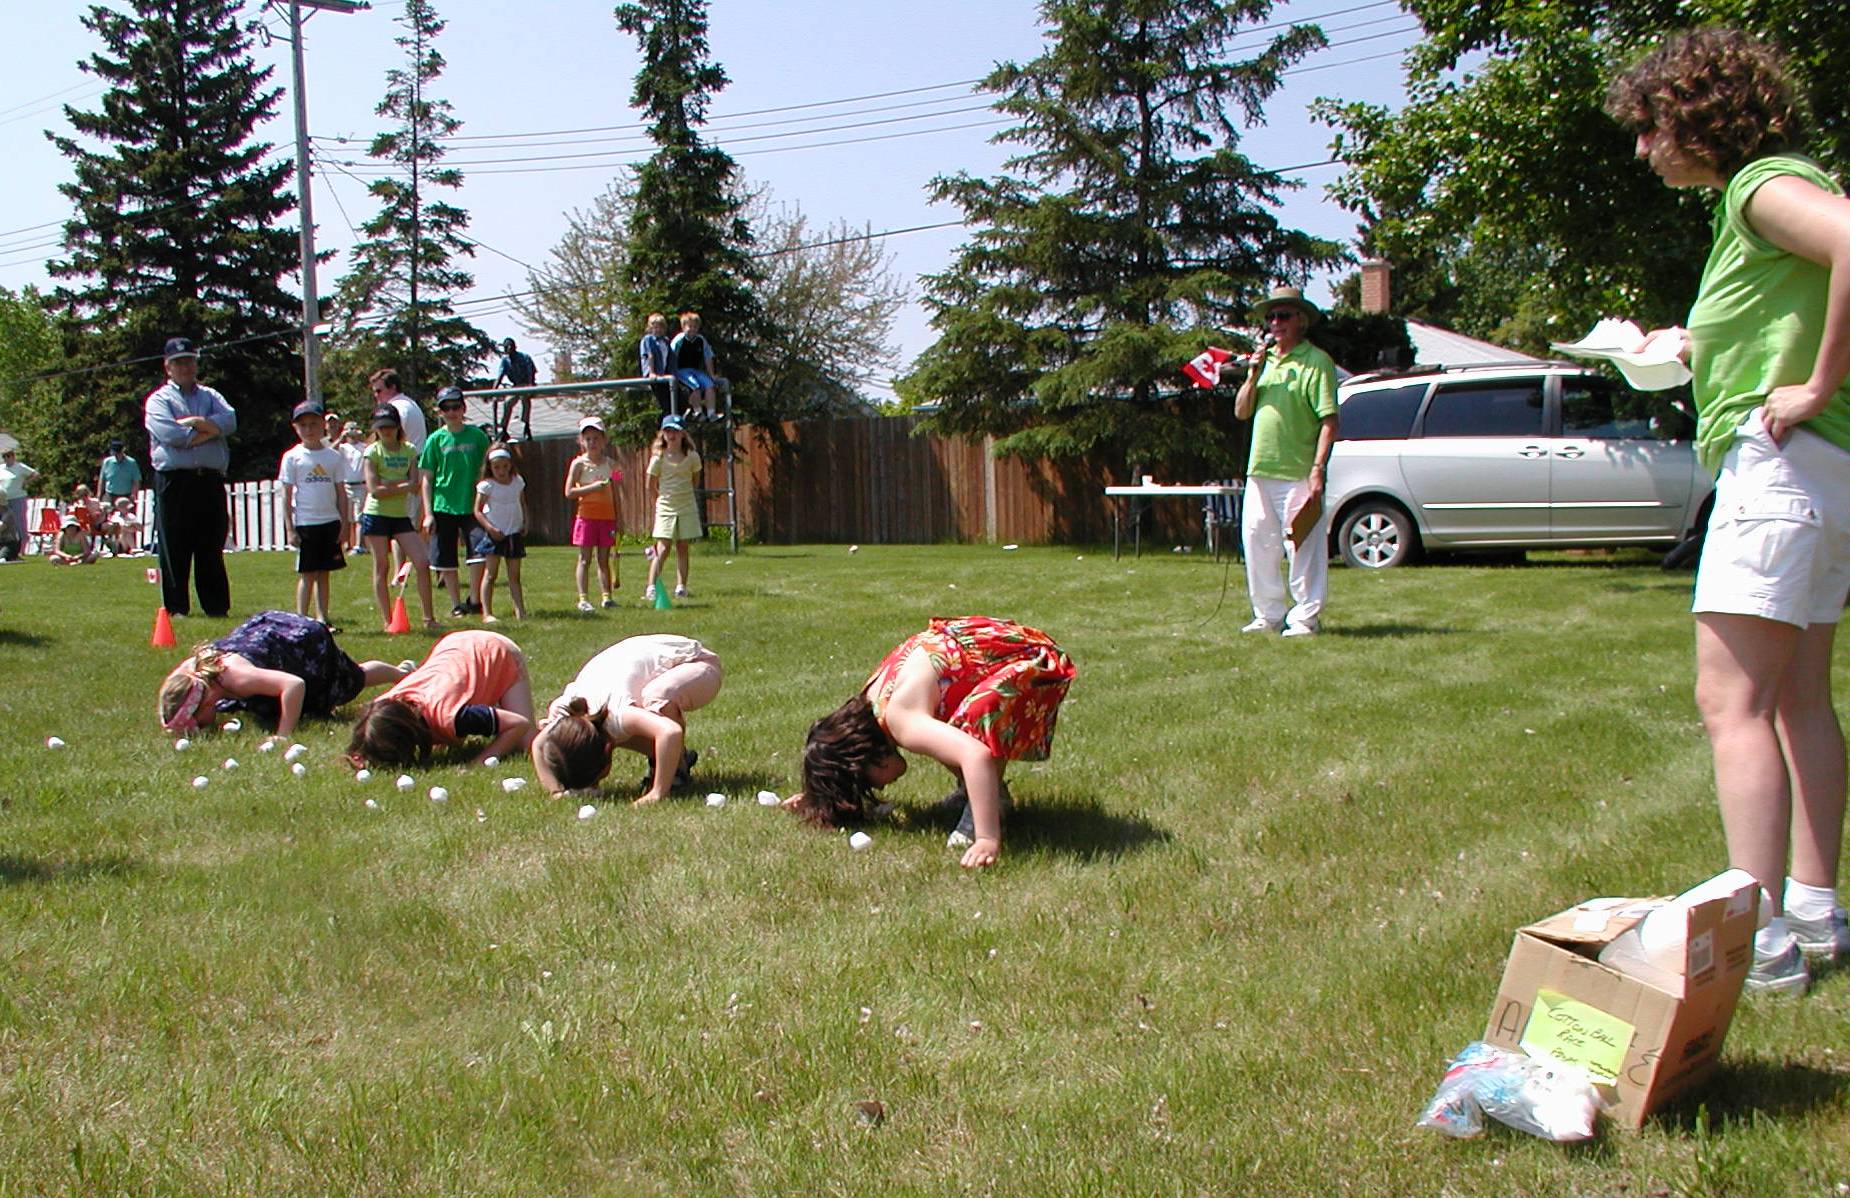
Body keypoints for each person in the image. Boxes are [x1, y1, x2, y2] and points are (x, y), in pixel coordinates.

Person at [1609, 28, 1850, 994]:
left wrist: (1813, 381)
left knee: (1731, 701)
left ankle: (1761, 943)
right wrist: (1691, 347)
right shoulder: (1757, 205)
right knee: (1797, 699)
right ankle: (1818, 913)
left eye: (1650, 128)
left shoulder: (1759, 187)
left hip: (1780, 466)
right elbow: (1769, 324)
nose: (1644, 149)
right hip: (1827, 470)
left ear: (1697, 116)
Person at [787, 617, 1076, 869]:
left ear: (866, 758)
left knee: (975, 722)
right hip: (1007, 646)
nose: (881, 787)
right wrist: (815, 795)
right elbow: (833, 751)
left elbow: (977, 755)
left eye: (869, 782)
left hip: (1029, 659)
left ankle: (983, 813)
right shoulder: (873, 703)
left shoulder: (902, 721)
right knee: (944, 732)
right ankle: (975, 793)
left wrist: (988, 839)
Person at [1229, 286, 1339, 638]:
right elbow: (1241, 411)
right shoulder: (1263, 363)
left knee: (1303, 547)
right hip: (1260, 470)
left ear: (1301, 321)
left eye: (1284, 316)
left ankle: (1306, 618)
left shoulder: (1316, 361)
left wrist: (1317, 470)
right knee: (1257, 543)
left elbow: (1329, 420)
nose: (1275, 323)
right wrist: (1251, 374)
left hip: (1298, 472)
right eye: (1271, 317)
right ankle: (1268, 614)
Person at [159, 610, 409, 740]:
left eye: (199, 722)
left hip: (302, 643)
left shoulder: (237, 678)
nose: (204, 726)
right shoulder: (191, 674)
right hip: (268, 636)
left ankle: (402, 674)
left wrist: (283, 734)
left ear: (206, 703)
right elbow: (171, 689)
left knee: (351, 680)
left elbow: (294, 685)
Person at [529, 634, 723, 802]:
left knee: (657, 698)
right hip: (646, 656)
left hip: (696, 661)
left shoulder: (616, 713)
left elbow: (670, 732)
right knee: (627, 730)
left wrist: (657, 793)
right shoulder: (567, 717)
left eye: (596, 779)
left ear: (606, 752)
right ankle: (676, 758)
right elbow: (538, 745)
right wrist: (555, 791)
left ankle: (675, 773)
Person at [346, 629, 535, 768]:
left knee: (526, 745)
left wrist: (479, 762)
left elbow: (518, 724)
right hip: (453, 644)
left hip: (496, 648)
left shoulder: (451, 717)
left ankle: (556, 719)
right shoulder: (384, 705)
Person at [144, 336, 236, 617]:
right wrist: (209, 430)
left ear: (196, 363)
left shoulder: (211, 396)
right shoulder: (159, 399)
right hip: (175, 480)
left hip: (209, 478)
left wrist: (195, 423)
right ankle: (176, 608)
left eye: (189, 361)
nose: (185, 366)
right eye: (178, 362)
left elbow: (230, 421)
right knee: (174, 544)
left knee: (211, 543)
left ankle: (216, 607)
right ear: (168, 367)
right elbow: (171, 435)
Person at [361, 404, 438, 632]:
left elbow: (415, 485)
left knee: (422, 562)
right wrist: (399, 485)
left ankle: (428, 618)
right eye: (381, 427)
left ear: (398, 427)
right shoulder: (372, 452)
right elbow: (374, 489)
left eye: (390, 427)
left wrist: (390, 485)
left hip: (399, 515)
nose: (386, 431)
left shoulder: (409, 450)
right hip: (376, 515)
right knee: (382, 567)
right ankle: (388, 622)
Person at [419, 386, 491, 617]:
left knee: (479, 552)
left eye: (455, 407)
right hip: (443, 506)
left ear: (463, 408)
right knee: (445, 557)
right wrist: (428, 513)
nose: (451, 412)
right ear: (440, 412)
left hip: (472, 505)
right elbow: (427, 479)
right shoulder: (435, 440)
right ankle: (456, 603)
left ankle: (474, 599)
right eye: (446, 408)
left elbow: (488, 468)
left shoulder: (478, 436)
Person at [277, 401, 349, 625]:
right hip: (306, 522)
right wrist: (290, 527)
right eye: (304, 425)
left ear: (323, 425)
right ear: (296, 428)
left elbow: (341, 492)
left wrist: (344, 524)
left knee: (324, 572)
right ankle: (301, 618)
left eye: (314, 424)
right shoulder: (292, 457)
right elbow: (286, 496)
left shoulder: (333, 457)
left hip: (329, 521)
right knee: (307, 573)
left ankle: (322, 617)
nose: (309, 429)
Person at [565, 415, 622, 611]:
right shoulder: (578, 464)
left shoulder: (612, 465)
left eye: (596, 438)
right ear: (581, 441)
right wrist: (592, 488)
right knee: (584, 559)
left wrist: (619, 518)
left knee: (603, 559)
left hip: (607, 518)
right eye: (587, 438)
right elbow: (569, 492)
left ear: (604, 440)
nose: (592, 442)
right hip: (586, 517)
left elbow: (619, 488)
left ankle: (607, 597)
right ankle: (583, 598)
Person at [643, 414, 701, 603]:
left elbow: (695, 480)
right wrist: (658, 502)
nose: (672, 435)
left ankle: (681, 586)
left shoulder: (692, 457)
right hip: (666, 507)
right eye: (668, 431)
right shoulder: (658, 458)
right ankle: (651, 586)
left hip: (686, 505)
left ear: (683, 434)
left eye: (675, 431)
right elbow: (650, 485)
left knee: (683, 546)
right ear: (662, 434)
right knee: (663, 547)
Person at [471, 443, 528, 623]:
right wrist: (490, 528)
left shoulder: (517, 482)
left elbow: (522, 503)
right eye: (496, 467)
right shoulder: (487, 486)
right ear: (490, 467)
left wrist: (525, 522)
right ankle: (487, 612)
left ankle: (520, 610)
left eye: (505, 466)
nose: (501, 471)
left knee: (514, 575)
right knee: (491, 574)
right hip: (495, 534)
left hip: (513, 533)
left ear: (510, 464)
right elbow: (477, 511)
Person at [370, 367, 426, 533]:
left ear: (393, 387)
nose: (376, 395)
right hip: (412, 467)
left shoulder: (397, 409)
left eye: (379, 390)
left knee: (402, 523)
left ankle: (402, 559)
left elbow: (387, 441)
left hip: (404, 469)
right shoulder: (410, 404)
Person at [669, 311, 721, 421]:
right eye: (690, 326)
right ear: (683, 327)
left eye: (695, 326)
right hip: (681, 370)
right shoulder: (679, 340)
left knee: (709, 385)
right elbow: (671, 356)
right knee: (695, 386)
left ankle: (711, 413)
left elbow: (708, 357)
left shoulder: (700, 340)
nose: (692, 329)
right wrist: (671, 373)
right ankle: (698, 411)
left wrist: (711, 374)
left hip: (695, 370)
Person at [0, 446, 41, 559]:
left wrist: (25, 482)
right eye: (4, 456)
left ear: (13, 456)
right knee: (5, 524)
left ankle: (21, 549)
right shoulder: (1, 468)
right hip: (3, 500)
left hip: (18, 498)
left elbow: (35, 474)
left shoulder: (20, 467)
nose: (6, 458)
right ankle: (6, 547)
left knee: (19, 523)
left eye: (9, 456)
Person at [493, 338, 538, 440]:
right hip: (516, 385)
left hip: (527, 384)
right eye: (507, 347)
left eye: (511, 346)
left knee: (525, 399)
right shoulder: (505, 360)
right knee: (507, 403)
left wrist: (530, 386)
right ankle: (504, 429)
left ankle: (526, 426)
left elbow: (531, 372)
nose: (509, 349)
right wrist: (493, 391)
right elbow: (500, 376)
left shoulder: (524, 357)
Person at [337, 423, 367, 553]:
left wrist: (362, 437)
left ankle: (359, 545)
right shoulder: (342, 447)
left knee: (359, 517)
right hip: (346, 485)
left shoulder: (364, 447)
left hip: (360, 484)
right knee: (346, 517)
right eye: (349, 429)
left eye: (354, 429)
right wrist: (341, 438)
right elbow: (329, 451)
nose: (352, 432)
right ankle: (346, 543)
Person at [638, 312, 675, 418]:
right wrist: (651, 372)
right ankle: (665, 426)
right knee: (664, 402)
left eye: (660, 327)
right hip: (653, 373)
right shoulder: (648, 339)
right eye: (655, 327)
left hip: (663, 374)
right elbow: (650, 355)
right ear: (650, 328)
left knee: (673, 399)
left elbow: (669, 359)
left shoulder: (666, 341)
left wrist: (672, 373)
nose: (658, 330)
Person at [95, 439, 141, 507]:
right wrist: (99, 495)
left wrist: (133, 495)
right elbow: (102, 480)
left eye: (118, 453)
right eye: (115, 453)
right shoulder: (107, 462)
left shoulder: (131, 463)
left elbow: (136, 481)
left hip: (126, 497)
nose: (117, 455)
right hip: (110, 496)